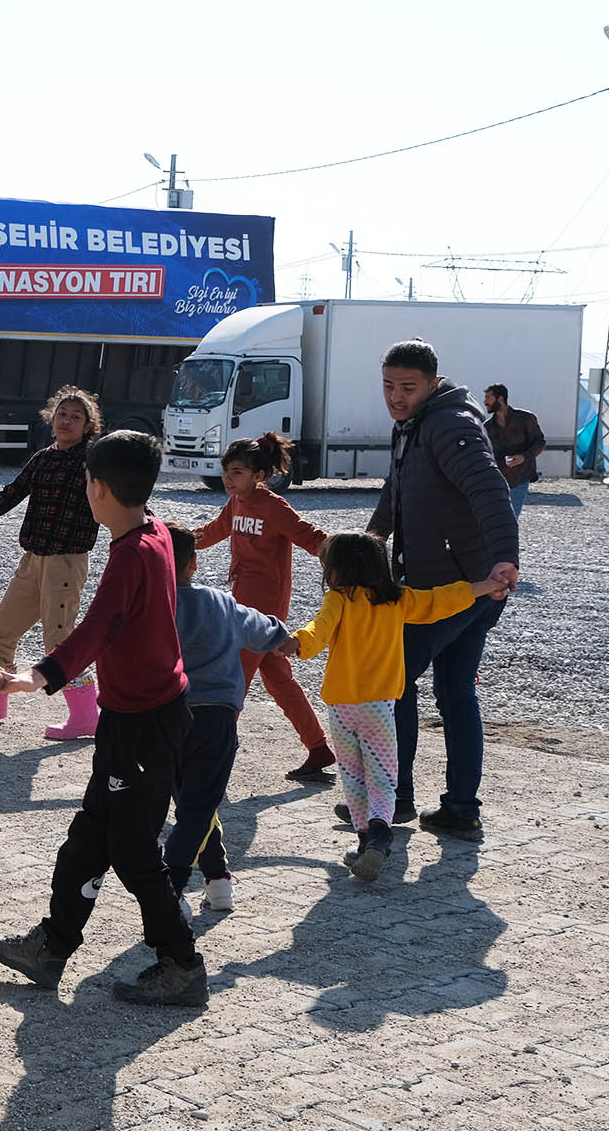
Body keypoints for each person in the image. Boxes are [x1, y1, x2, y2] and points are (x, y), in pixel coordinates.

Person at [0, 430, 205, 1006]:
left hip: (146, 724)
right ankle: (51, 948)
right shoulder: (150, 530)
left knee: (131, 849)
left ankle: (182, 963)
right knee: (88, 838)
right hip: (130, 718)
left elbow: (99, 626)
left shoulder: (133, 551)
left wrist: (40, 674)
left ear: (97, 489)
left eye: (86, 481)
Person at [365, 339, 519, 844]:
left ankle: (395, 799)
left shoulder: (450, 424)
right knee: (455, 692)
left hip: (457, 587)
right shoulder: (413, 424)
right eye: (389, 386)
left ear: (433, 383)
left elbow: (489, 488)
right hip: (468, 585)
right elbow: (398, 486)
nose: (396, 396)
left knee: (395, 681)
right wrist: (373, 540)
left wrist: (504, 557)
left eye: (407, 387)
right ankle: (460, 810)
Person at [285, 532, 507, 880]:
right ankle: (379, 834)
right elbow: (442, 600)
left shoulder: (338, 600)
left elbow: (318, 630)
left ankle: (363, 840)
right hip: (380, 708)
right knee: (383, 777)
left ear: (336, 570)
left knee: (353, 776)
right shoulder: (398, 599)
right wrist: (485, 586)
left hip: (343, 707)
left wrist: (297, 643)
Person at [0, 385, 102, 740]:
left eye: (76, 417)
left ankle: (86, 715)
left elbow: (122, 499)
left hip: (67, 561)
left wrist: (159, 533)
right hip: (33, 560)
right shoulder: (43, 458)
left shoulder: (95, 462)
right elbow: (7, 497)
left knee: (60, 641)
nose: (67, 421)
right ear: (51, 418)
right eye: (62, 414)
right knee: (3, 630)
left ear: (88, 426)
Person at [162, 524, 292, 916]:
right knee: (198, 806)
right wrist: (288, 640)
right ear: (194, 562)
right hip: (217, 720)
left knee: (190, 804)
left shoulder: (151, 605)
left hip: (168, 718)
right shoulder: (221, 602)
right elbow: (266, 631)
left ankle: (196, 885)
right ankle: (201, 883)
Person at [192, 433, 334, 782]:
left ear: (259, 475)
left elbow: (311, 537)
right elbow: (213, 532)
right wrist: (174, 538)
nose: (228, 478)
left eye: (237, 472)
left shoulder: (273, 506)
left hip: (264, 610)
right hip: (243, 604)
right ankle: (318, 748)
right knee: (279, 679)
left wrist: (344, 561)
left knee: (231, 680)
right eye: (226, 470)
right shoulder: (237, 501)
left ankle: (209, 760)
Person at [483, 383, 546, 519]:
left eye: (488, 398)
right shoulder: (487, 427)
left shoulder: (525, 419)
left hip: (520, 478)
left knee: (511, 519)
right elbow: (485, 454)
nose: (485, 402)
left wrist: (524, 457)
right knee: (495, 519)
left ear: (500, 399)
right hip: (496, 480)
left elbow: (540, 442)